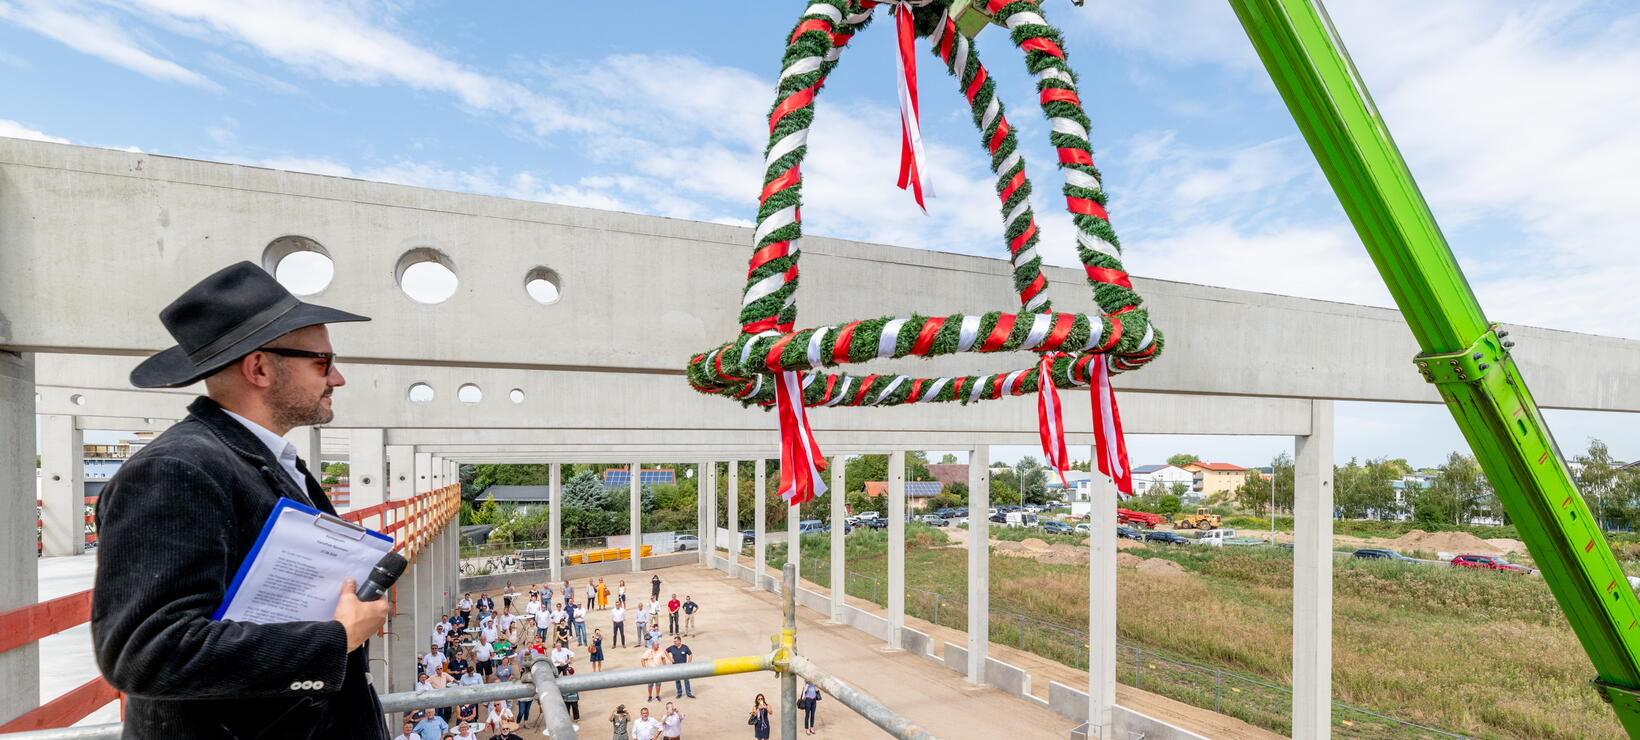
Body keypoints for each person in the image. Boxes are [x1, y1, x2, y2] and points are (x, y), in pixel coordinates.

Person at [88, 266, 393, 736]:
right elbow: (146, 651)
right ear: (260, 368)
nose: (337, 377)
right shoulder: (174, 469)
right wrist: (334, 638)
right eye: (322, 362)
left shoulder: (253, 457)